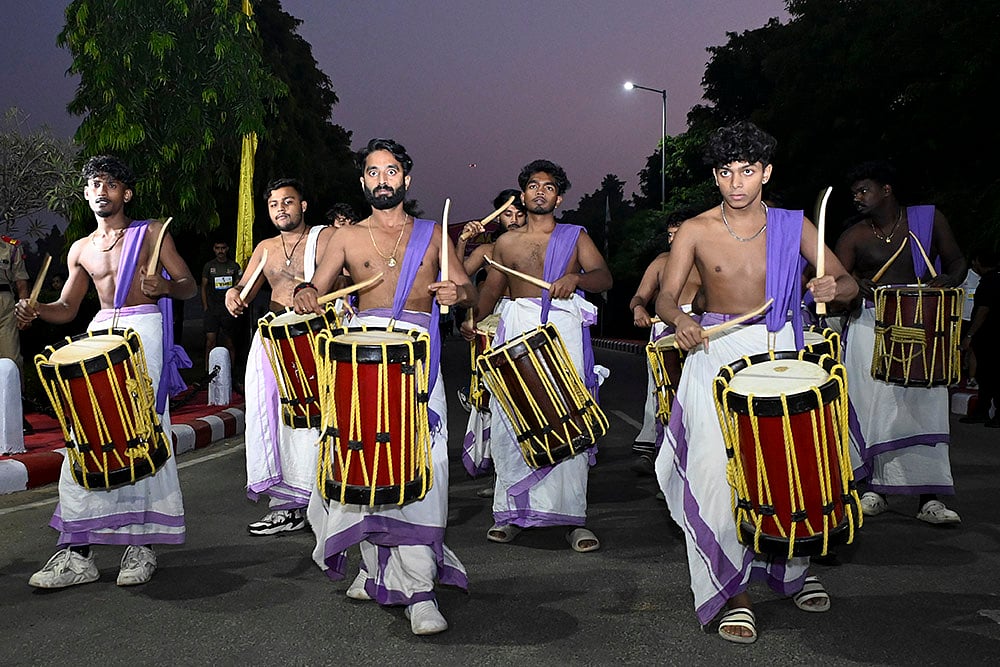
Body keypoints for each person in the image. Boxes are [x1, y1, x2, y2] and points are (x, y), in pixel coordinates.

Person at [653, 122, 857, 644]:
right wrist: (680, 320)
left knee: (785, 464)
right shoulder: (696, 229)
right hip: (715, 351)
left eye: (747, 171)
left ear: (766, 172)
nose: (736, 182)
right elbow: (666, 297)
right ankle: (732, 592)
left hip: (782, 352)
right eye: (726, 172)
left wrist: (835, 285)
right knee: (714, 474)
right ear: (716, 177)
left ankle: (791, 571)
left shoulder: (795, 224)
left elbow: (846, 281)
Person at [293, 137, 473, 636]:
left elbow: (467, 288)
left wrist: (456, 292)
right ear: (362, 182)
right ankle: (375, 569)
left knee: (421, 465)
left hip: (419, 358)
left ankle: (419, 589)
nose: (381, 180)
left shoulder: (433, 234)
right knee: (366, 461)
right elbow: (317, 288)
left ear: (406, 179)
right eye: (372, 172)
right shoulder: (345, 238)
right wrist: (307, 293)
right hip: (362, 361)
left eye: (390, 171)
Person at [16, 154, 196, 588]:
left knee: (140, 431)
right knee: (84, 434)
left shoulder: (152, 233)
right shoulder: (80, 248)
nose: (102, 190)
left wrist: (166, 288)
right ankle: (76, 553)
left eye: (111, 184)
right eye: (95, 184)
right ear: (86, 193)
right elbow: (67, 308)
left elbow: (188, 284)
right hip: (101, 330)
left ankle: (142, 546)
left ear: (125, 193)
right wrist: (36, 309)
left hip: (143, 330)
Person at [464, 159, 612, 554]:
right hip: (515, 329)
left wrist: (576, 278)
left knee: (568, 419)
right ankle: (510, 513)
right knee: (513, 418)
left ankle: (572, 518)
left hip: (561, 331)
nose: (540, 191)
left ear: (559, 197)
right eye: (533, 185)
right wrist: (473, 318)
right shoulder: (505, 244)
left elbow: (603, 276)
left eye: (548, 186)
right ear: (523, 194)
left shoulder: (575, 236)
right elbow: (493, 289)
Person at [834, 159, 966, 525]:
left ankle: (930, 499)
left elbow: (957, 261)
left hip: (921, 322)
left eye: (864, 191)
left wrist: (948, 281)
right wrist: (851, 286)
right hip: (869, 328)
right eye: (854, 193)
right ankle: (874, 490)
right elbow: (836, 284)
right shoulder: (854, 236)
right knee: (873, 409)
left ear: (886, 190)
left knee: (923, 409)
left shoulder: (928, 219)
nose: (858, 198)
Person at [225, 178, 333, 536]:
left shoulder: (325, 238)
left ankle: (326, 499)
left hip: (316, 337)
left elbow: (344, 276)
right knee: (272, 419)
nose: (281, 209)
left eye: (288, 201)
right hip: (273, 338)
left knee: (316, 421)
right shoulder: (266, 247)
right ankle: (287, 505)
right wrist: (234, 295)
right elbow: (246, 285)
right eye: (273, 204)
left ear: (303, 205)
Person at [457, 189, 527, 492]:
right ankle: (502, 475)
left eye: (519, 213)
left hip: (529, 324)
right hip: (491, 324)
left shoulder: (542, 241)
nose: (513, 219)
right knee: (496, 404)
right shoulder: (487, 248)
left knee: (526, 401)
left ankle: (529, 471)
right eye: (507, 214)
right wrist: (462, 242)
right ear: (497, 216)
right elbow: (457, 278)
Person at [628, 214, 700, 475]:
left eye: (678, 234)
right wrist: (638, 309)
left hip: (698, 329)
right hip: (664, 330)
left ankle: (692, 456)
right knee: (660, 393)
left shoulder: (706, 260)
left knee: (694, 394)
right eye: (669, 235)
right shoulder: (661, 263)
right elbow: (638, 297)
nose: (673, 240)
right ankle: (658, 452)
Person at [959, 248, 998, 425]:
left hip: (988, 334)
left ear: (979, 263)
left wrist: (969, 334)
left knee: (989, 374)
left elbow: (983, 311)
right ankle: (982, 410)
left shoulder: (988, 283)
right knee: (987, 375)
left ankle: (988, 412)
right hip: (990, 334)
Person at [0, 234, 31, 432]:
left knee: (12, 359)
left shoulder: (9, 247)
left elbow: (21, 282)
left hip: (5, 304)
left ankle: (17, 414)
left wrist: (24, 311)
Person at [200, 240, 241, 371]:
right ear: (214, 249)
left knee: (229, 343)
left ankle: (231, 372)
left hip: (228, 311)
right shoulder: (209, 266)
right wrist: (205, 306)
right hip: (212, 310)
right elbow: (203, 287)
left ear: (227, 249)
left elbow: (239, 286)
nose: (220, 251)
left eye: (223, 248)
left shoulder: (234, 266)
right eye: (218, 248)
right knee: (210, 342)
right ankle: (208, 371)